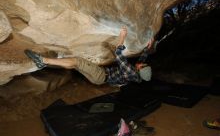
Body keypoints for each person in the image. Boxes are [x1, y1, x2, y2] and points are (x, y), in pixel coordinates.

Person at [24, 26, 154, 86]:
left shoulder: (130, 71)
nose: (140, 63)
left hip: (101, 75)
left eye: (141, 65)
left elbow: (118, 54)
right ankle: (50, 62)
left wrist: (122, 37)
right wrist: (148, 47)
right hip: (100, 79)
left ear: (139, 69)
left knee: (78, 61)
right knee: (75, 65)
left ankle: (43, 61)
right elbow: (143, 59)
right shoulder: (137, 74)